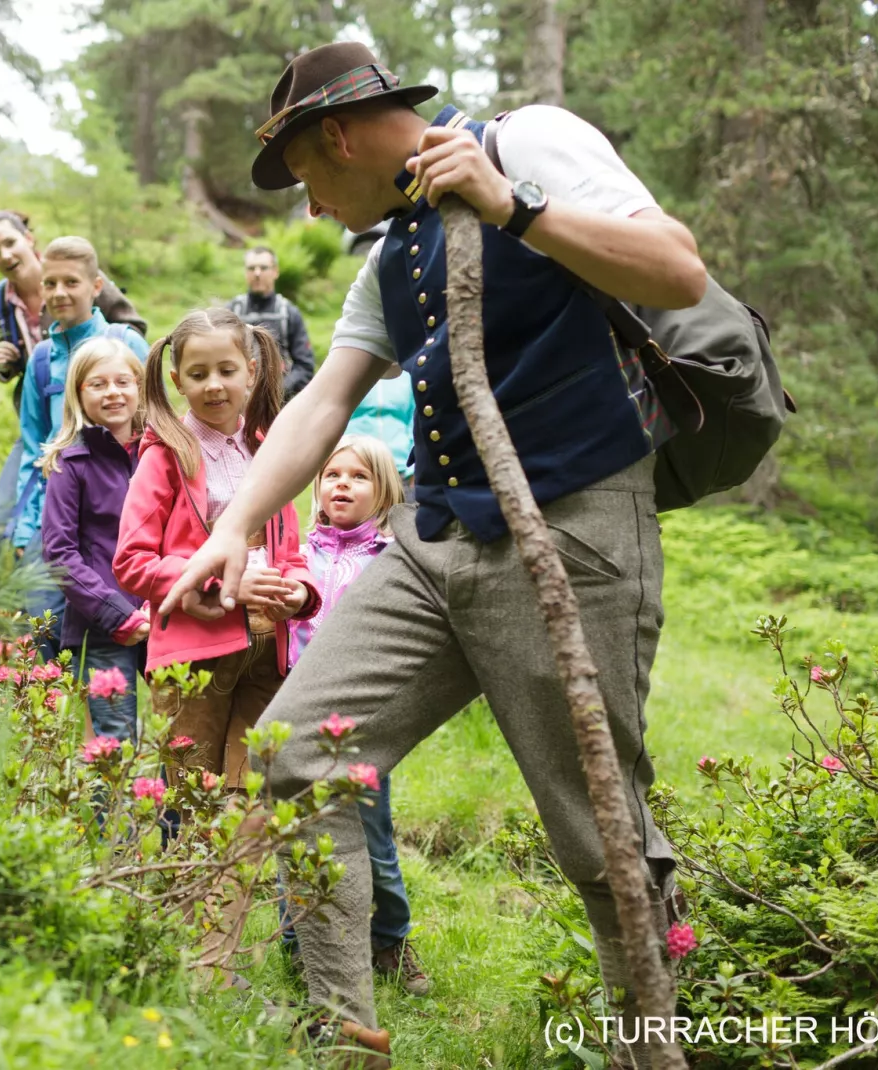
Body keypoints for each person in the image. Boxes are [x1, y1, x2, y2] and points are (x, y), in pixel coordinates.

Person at [159, 41, 708, 1067]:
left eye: (308, 177)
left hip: (569, 530)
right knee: (296, 751)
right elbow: (325, 400)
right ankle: (344, 1035)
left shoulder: (530, 140)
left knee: (600, 838)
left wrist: (514, 209)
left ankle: (653, 1047)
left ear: (336, 133)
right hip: (431, 540)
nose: (311, 209)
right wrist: (230, 529)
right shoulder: (388, 257)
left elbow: (677, 266)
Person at [113, 305, 321, 975]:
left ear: (251, 370)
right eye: (196, 373)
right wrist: (223, 590)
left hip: (270, 656)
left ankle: (212, 964)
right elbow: (134, 561)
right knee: (197, 810)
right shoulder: (166, 455)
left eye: (227, 370)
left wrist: (298, 593)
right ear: (176, 377)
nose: (212, 385)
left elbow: (291, 550)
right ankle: (185, 962)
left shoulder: (269, 449)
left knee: (248, 809)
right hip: (195, 661)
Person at [279, 435, 426, 996]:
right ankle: (296, 942)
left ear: (385, 491)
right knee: (293, 833)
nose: (342, 483)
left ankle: (390, 937)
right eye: (332, 474)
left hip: (362, 720)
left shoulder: (392, 562)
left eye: (359, 476)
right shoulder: (297, 552)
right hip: (297, 710)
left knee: (372, 836)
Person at [12, 237, 150, 662]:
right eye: (49, 283)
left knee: (117, 630)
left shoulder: (124, 342)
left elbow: (153, 418)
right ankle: (55, 721)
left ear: (96, 285)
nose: (58, 293)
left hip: (113, 514)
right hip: (54, 514)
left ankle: (115, 717)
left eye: (70, 281)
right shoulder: (40, 360)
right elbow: (31, 444)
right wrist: (22, 526)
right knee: (43, 626)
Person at [0, 210, 146, 531]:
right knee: (3, 520)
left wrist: (104, 366)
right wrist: (7, 363)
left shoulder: (73, 264)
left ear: (28, 239)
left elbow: (131, 326)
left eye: (9, 243)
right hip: (48, 414)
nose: (5, 255)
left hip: (109, 418)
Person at [39, 337, 151, 742]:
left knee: (182, 737)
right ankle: (112, 809)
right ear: (78, 394)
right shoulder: (70, 464)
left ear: (140, 386)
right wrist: (117, 614)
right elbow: (59, 554)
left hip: (167, 617)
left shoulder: (163, 454)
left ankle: (173, 810)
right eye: (98, 384)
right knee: (114, 741)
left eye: (123, 381)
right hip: (104, 626)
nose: (113, 393)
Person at [227, 247, 317, 401]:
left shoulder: (288, 313)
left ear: (275, 272)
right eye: (251, 268)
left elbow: (305, 367)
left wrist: (276, 391)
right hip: (238, 403)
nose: (257, 273)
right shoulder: (231, 312)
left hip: (279, 405)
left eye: (263, 268)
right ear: (245, 272)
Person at [345, 371, 416, 489]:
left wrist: (414, 468)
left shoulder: (408, 376)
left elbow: (415, 422)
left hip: (398, 467)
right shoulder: (348, 371)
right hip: (354, 464)